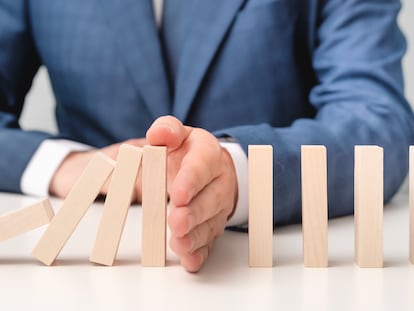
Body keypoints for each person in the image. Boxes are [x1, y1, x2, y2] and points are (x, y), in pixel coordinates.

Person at [0, 0, 413, 272]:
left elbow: (375, 118)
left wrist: (238, 170)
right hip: (87, 273)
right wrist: (73, 167)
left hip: (282, 268)